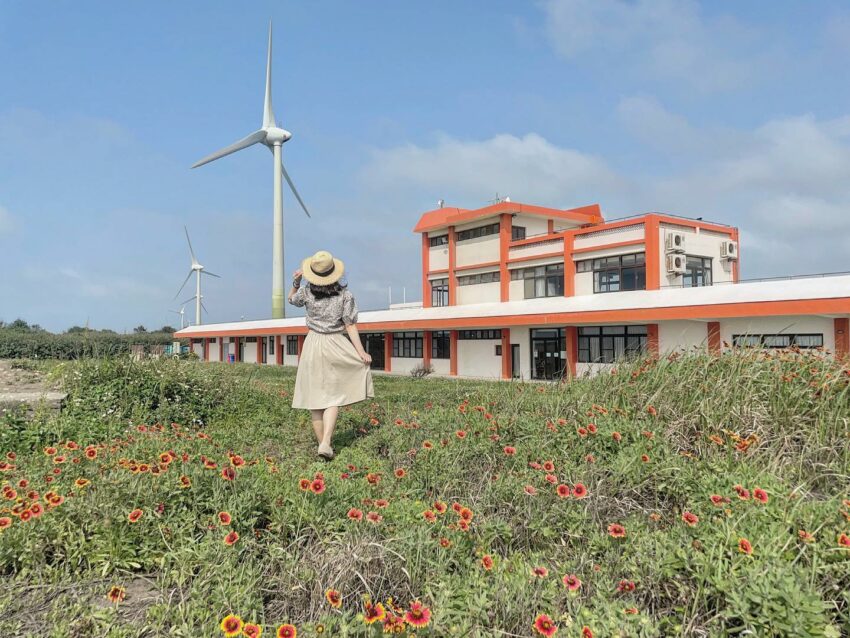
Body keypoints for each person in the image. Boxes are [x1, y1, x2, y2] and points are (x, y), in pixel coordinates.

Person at [288, 250, 374, 460]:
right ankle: (326, 442)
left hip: (313, 344)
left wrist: (296, 282)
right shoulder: (346, 296)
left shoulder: (306, 292)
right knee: (333, 396)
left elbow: (291, 300)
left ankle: (323, 446)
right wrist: (361, 352)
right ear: (335, 272)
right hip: (336, 343)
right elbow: (350, 326)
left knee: (315, 400)